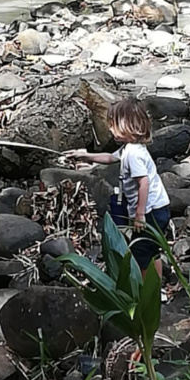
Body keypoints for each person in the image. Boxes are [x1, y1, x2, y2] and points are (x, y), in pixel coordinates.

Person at [66, 98, 171, 281]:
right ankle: (157, 286)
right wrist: (85, 156)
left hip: (150, 211)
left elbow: (144, 183)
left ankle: (147, 290)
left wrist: (139, 214)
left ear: (126, 126)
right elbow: (109, 158)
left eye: (113, 125)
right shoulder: (130, 148)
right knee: (151, 249)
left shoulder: (133, 155)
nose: (110, 129)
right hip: (159, 207)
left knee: (141, 252)